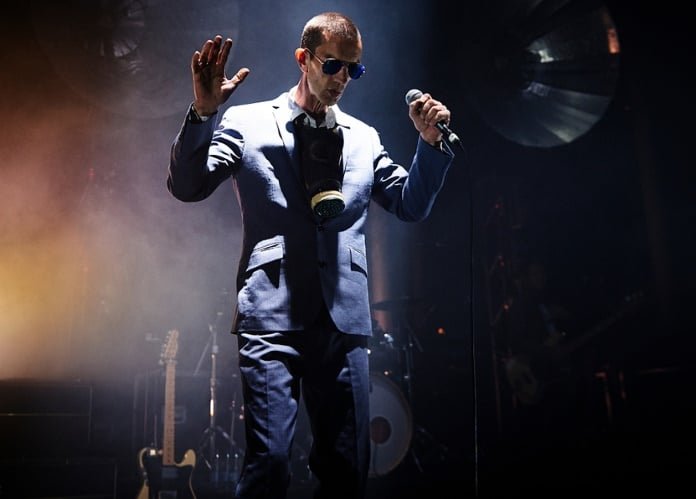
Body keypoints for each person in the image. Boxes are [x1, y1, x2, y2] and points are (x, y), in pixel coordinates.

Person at [167, 11, 455, 499]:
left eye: (353, 69)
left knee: (348, 468)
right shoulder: (248, 121)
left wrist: (429, 146)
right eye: (332, 65)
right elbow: (187, 186)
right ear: (303, 59)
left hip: (343, 320)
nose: (342, 78)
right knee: (270, 462)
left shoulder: (363, 137)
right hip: (271, 313)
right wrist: (202, 112)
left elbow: (409, 205)